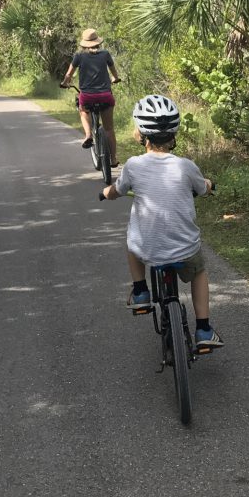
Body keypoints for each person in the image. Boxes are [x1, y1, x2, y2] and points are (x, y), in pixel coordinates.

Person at [99, 94, 224, 350]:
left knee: (132, 241)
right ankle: (203, 329)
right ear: (173, 133)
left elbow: (117, 191)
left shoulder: (133, 166)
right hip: (185, 249)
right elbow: (202, 189)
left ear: (140, 133)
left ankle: (141, 291)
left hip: (147, 248)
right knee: (199, 272)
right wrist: (209, 186)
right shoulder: (186, 166)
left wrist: (105, 193)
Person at [59, 28, 121, 164]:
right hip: (105, 96)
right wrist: (115, 78)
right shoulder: (105, 54)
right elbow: (114, 71)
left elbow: (69, 75)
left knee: (82, 110)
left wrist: (64, 83)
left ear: (84, 43)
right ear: (97, 42)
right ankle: (114, 158)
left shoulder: (79, 56)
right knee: (109, 129)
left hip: (87, 96)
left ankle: (88, 135)